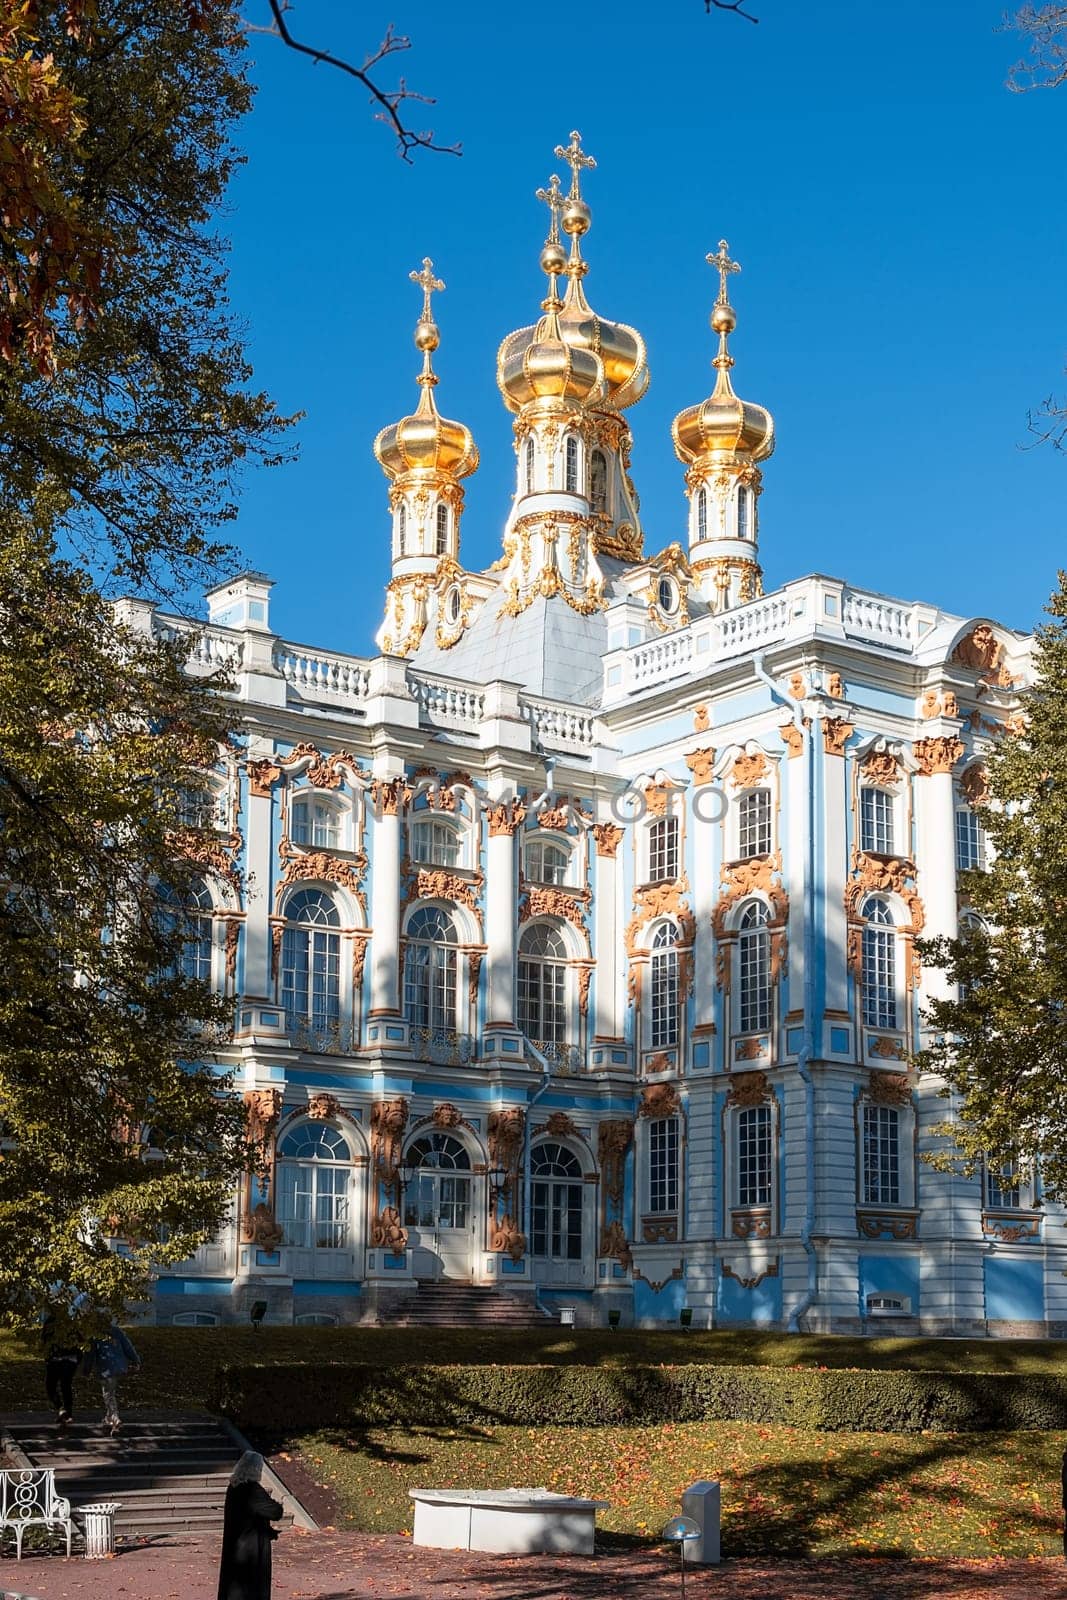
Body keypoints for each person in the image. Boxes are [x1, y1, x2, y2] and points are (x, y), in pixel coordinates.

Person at [217, 1451, 283, 1600]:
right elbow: (275, 1512)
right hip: (250, 1547)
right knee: (251, 1586)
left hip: (236, 1543)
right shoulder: (252, 1490)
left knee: (233, 1585)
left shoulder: (233, 1487)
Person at [84, 1322, 141, 1435]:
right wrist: (136, 1360)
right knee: (110, 1392)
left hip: (105, 1367)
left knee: (108, 1393)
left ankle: (115, 1417)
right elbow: (128, 1346)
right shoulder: (117, 1331)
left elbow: (90, 1354)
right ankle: (109, 1418)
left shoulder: (95, 1335)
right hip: (119, 1366)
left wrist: (87, 1369)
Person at [41, 1312, 82, 1428]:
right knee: (65, 1385)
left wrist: (48, 1356)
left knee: (52, 1386)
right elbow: (80, 1340)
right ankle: (66, 1412)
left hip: (57, 1358)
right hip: (69, 1358)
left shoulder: (51, 1322)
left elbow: (44, 1340)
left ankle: (61, 1408)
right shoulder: (70, 1322)